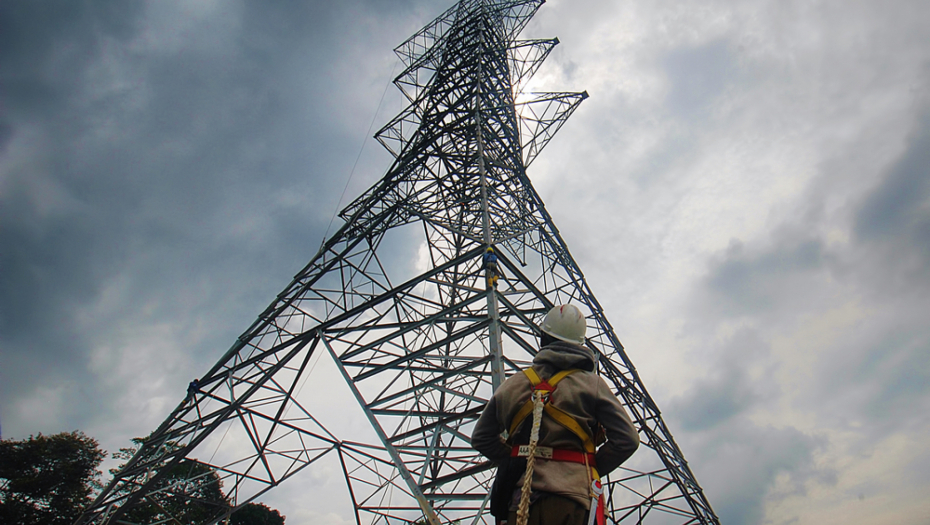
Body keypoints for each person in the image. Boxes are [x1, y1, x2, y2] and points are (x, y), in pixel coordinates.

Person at [472, 305, 639, 525]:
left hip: (520, 501)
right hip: (573, 501)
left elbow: (481, 438)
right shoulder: (592, 385)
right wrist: (585, 467)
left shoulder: (512, 386)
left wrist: (517, 458)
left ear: (543, 337)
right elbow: (627, 440)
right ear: (580, 343)